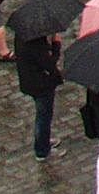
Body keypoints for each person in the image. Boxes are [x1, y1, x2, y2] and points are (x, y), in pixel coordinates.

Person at [17, 28, 64, 162]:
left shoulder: (22, 34)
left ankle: (44, 141)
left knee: (43, 115)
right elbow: (49, 63)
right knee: (43, 116)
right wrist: (56, 45)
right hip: (41, 85)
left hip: (28, 80)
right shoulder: (35, 43)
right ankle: (42, 150)